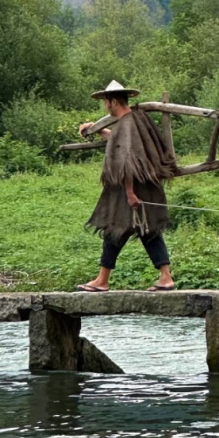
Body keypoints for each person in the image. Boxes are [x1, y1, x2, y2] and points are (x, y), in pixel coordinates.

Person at [77, 79, 178, 291]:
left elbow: (128, 161)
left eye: (106, 102)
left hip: (131, 190)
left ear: (113, 102)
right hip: (141, 187)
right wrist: (97, 130)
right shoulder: (133, 120)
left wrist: (130, 193)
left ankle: (102, 280)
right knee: (144, 230)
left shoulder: (127, 123)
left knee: (115, 229)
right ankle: (165, 277)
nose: (105, 106)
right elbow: (119, 141)